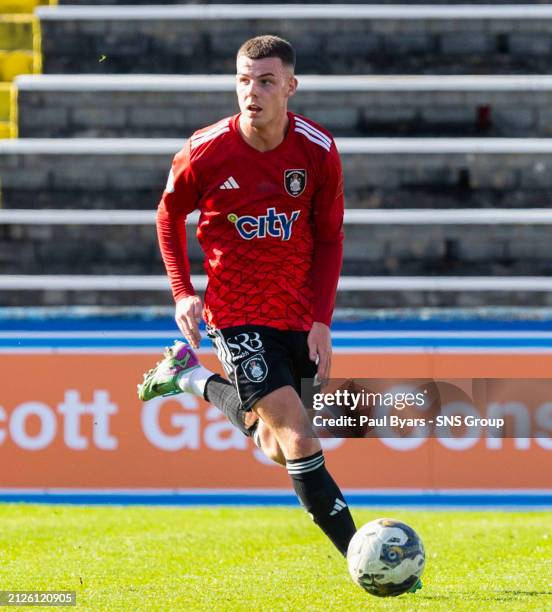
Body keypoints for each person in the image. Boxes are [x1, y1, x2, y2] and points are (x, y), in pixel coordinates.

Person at [138, 34, 356, 557]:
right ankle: (363, 559)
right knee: (302, 440)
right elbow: (168, 216)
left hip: (297, 314)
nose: (251, 92)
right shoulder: (206, 150)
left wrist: (322, 321)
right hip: (236, 313)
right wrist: (182, 292)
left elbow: (329, 238)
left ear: (290, 87)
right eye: (242, 80)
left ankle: (188, 377)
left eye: (264, 81)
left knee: (276, 445)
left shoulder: (318, 151)